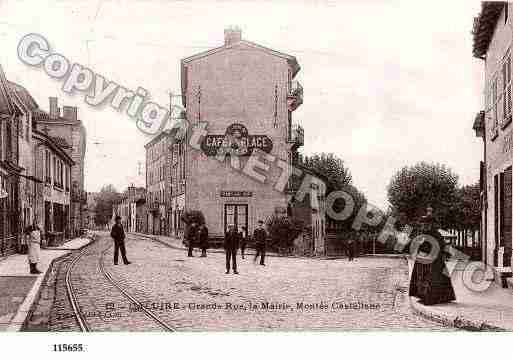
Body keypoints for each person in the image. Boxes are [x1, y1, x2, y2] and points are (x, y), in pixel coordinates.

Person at [409, 207, 456, 305]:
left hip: (434, 261)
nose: (425, 226)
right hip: (422, 259)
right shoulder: (422, 234)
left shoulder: (436, 234)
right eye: (423, 225)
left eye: (427, 224)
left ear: (431, 225)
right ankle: (423, 296)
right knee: (422, 278)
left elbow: (441, 246)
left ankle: (433, 298)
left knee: (432, 278)